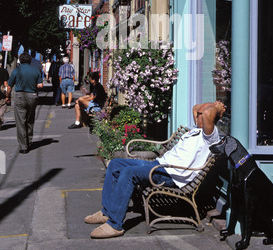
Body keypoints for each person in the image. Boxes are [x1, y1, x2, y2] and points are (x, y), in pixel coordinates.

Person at [84, 100, 225, 239]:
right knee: (115, 164)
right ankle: (107, 212)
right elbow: (196, 108)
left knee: (129, 173)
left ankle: (115, 224)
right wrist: (211, 105)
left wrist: (217, 109)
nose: (197, 115)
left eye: (201, 115)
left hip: (171, 174)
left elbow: (207, 113)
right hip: (159, 164)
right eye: (198, 114)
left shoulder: (210, 136)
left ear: (211, 118)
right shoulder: (196, 129)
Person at [6, 52, 43, 154]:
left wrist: (7, 97)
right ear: (30, 60)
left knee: (20, 121)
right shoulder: (36, 70)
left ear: (20, 61)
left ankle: (23, 146)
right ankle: (29, 141)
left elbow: (9, 86)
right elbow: (40, 85)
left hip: (20, 96)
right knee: (30, 119)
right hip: (32, 96)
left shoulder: (16, 70)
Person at [0, 55, 9, 130]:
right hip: (1, 92)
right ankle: (0, 118)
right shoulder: (4, 71)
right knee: (2, 106)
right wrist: (7, 95)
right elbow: (6, 83)